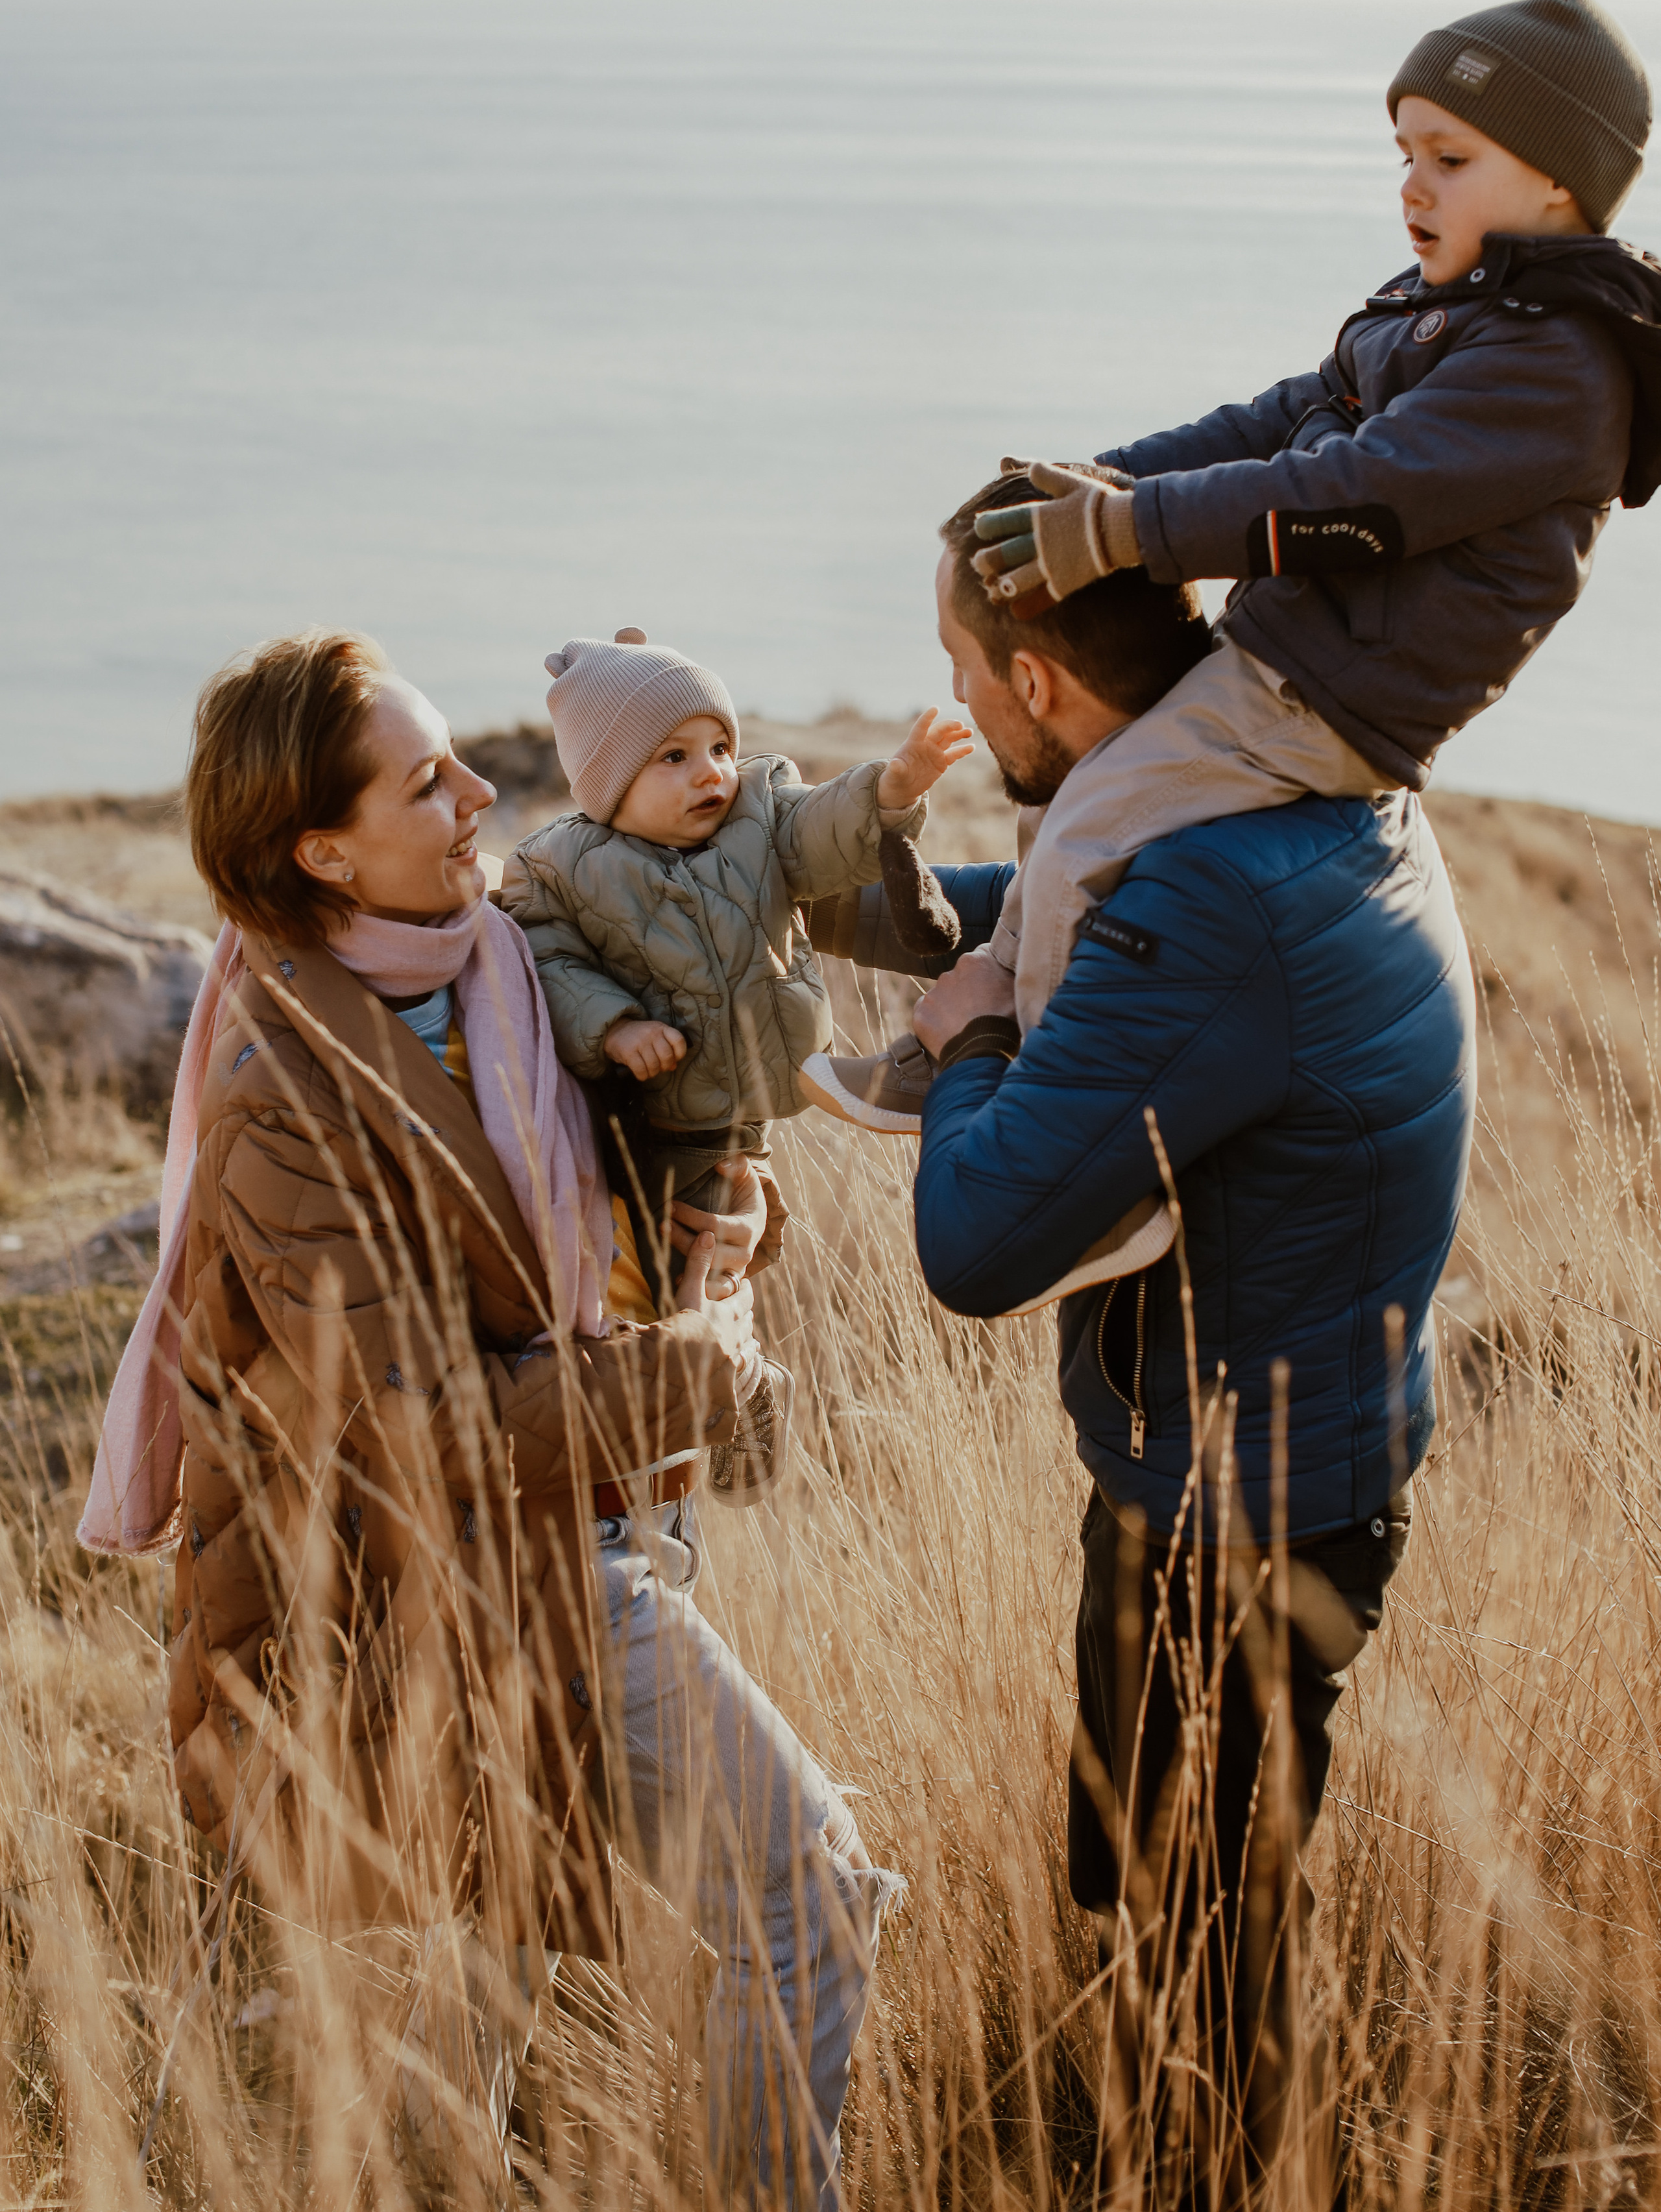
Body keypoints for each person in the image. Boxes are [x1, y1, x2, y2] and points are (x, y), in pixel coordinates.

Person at [79, 628, 897, 2207]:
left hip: (591, 1524)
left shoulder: (502, 966)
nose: (478, 792)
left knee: (498, 2009)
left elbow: (613, 1223)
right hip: (464, 1580)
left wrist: (725, 1217)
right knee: (808, 1893)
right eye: (425, 778)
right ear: (323, 847)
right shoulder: (281, 1087)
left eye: (462, 759)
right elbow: (419, 1416)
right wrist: (703, 1380)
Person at [821, 513, 1476, 2196]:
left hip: (1243, 1523)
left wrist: (963, 1041)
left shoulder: (1201, 902)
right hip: (1243, 1465)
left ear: (1035, 683)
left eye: (970, 677)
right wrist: (830, 901)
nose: (958, 698)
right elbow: (1048, 914)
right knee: (1153, 1903)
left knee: (1209, 1970)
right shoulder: (1268, 780)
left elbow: (974, 1244)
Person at [818, 0, 1660, 1130]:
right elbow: (1275, 420)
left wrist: (1124, 530)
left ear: (1558, 178)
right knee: (1069, 789)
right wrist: (1097, 480)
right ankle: (999, 1011)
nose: (1412, 186)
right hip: (1285, 660)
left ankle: (1047, 1103)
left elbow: (1354, 498)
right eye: (1404, 152)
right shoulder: (1444, 308)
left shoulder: (1556, 367)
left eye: (1450, 159)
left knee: (1091, 825)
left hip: (1339, 701)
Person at [500, 627, 969, 1218]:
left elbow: (819, 828)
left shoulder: (759, 814)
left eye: (720, 747)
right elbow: (549, 962)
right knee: (674, 1252)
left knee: (736, 1239)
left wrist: (887, 792)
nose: (711, 773)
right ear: (607, 783)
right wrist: (614, 1028)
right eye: (675, 756)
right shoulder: (558, 868)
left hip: (756, 1105)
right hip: (657, 1119)